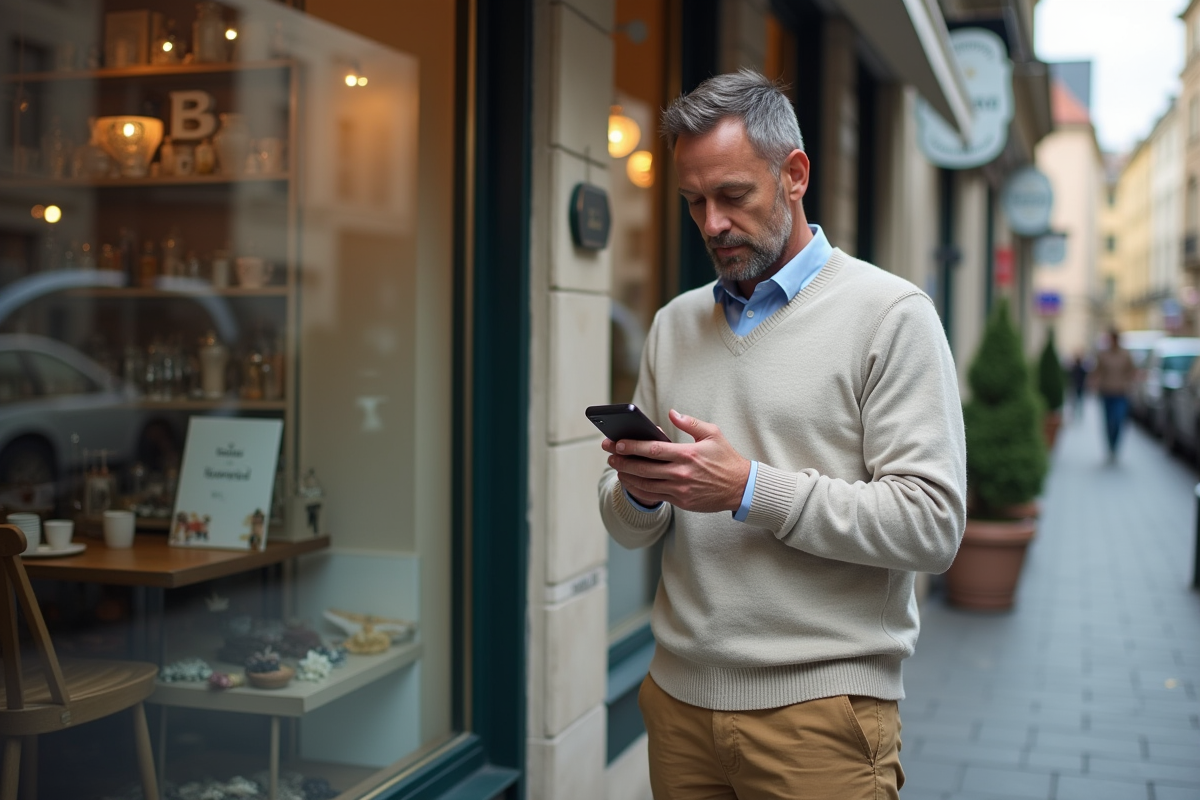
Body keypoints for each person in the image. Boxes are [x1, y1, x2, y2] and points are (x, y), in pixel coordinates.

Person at [597, 70, 967, 800]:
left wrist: (750, 489)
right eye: (694, 202)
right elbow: (629, 527)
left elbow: (932, 526)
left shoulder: (891, 315)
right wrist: (639, 493)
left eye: (733, 196)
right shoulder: (673, 325)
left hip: (821, 718)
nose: (711, 223)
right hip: (676, 707)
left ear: (794, 175)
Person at [1090, 328, 1136, 461]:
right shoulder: (1103, 354)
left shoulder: (1125, 354)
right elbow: (1097, 371)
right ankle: (1110, 447)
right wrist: (1094, 384)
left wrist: (1129, 382)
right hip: (1106, 392)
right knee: (1108, 422)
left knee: (1118, 420)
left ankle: (1116, 446)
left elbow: (1132, 370)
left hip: (1121, 393)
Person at [1068, 349, 1090, 422]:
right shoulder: (1078, 369)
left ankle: (1077, 414)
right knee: (1078, 401)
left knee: (1077, 401)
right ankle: (1077, 414)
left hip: (1078, 386)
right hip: (1078, 386)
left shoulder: (1077, 369)